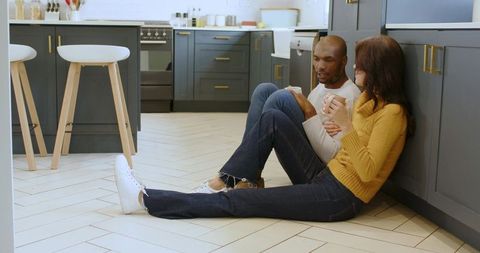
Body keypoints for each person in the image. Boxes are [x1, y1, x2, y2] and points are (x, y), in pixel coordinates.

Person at [114, 35, 413, 222]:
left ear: (377, 71)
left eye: (361, 66)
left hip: (340, 198)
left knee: (240, 202)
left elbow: (367, 172)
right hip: (327, 176)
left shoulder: (393, 113)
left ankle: (145, 199)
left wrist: (346, 130)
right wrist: (340, 127)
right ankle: (226, 177)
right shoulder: (367, 103)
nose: (356, 71)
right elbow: (348, 148)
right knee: (272, 117)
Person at [195, 35, 360, 193]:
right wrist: (315, 121)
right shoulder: (323, 87)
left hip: (320, 174)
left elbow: (331, 156)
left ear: (343, 61)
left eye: (328, 60)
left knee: (280, 99)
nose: (320, 66)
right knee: (264, 90)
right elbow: (312, 128)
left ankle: (239, 177)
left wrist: (310, 112)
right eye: (316, 59)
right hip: (308, 151)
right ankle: (251, 177)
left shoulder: (348, 96)